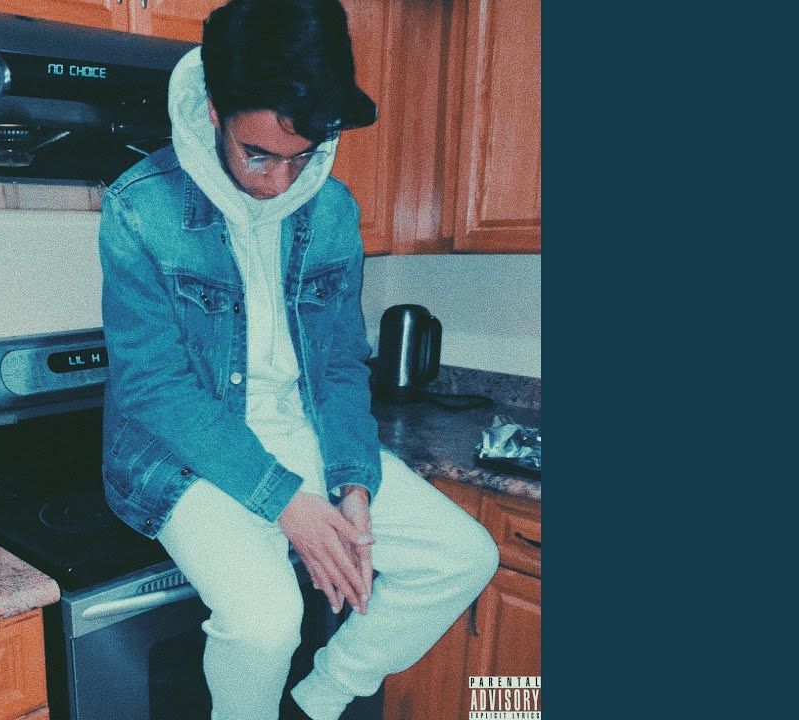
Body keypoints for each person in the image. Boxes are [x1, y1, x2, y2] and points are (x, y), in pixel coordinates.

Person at [97, 1, 499, 718]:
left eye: (303, 156)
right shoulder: (139, 207)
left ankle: (318, 700)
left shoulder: (333, 210)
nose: (280, 183)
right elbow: (155, 388)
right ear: (215, 112)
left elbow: (341, 366)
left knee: (463, 556)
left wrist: (353, 485)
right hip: (184, 449)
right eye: (258, 154)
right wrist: (286, 502)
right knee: (265, 622)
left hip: (303, 431)